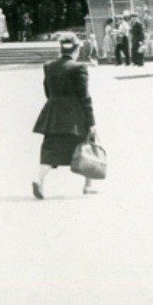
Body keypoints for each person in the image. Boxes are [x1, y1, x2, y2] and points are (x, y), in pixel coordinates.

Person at [32, 33, 99, 198]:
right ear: (76, 50)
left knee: (50, 148)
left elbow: (47, 91)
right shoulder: (79, 68)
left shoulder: (49, 66)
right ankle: (88, 185)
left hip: (53, 114)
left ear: (61, 49)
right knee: (86, 145)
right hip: (74, 116)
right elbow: (85, 97)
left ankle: (39, 180)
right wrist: (91, 122)